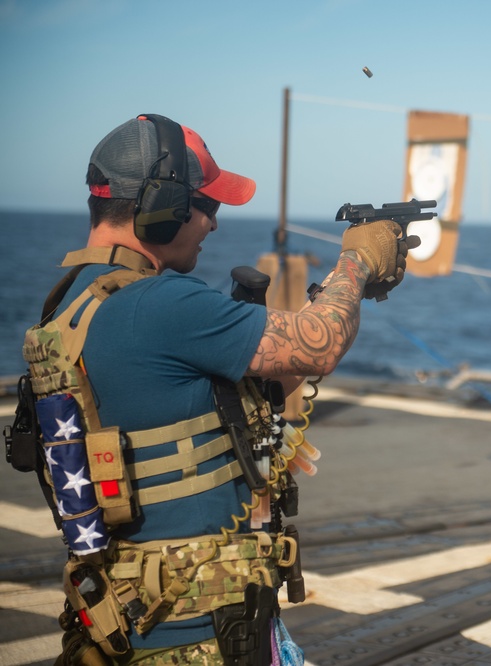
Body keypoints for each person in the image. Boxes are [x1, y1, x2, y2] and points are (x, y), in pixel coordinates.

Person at [18, 114, 417, 665]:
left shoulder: (73, 304)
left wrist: (340, 291)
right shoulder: (161, 304)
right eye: (205, 206)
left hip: (121, 623)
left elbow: (268, 377)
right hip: (196, 634)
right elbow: (317, 344)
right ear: (164, 208)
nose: (213, 223)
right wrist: (358, 261)